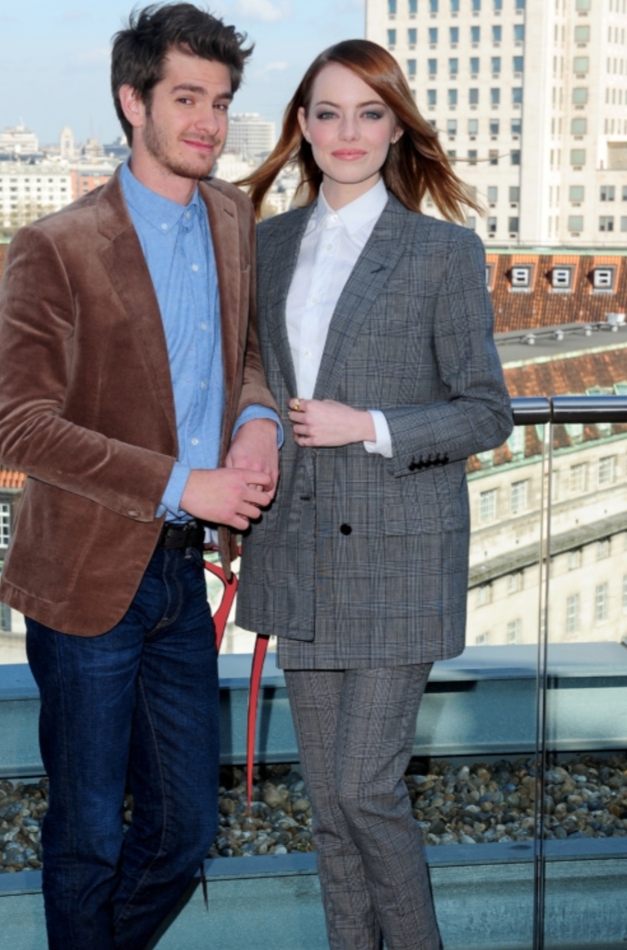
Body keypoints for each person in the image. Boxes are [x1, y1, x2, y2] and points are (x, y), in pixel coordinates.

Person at [0, 5, 280, 948]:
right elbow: (22, 426)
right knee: (84, 838)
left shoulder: (234, 216)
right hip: (83, 581)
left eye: (222, 102)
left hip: (181, 579)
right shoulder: (57, 246)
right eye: (186, 97)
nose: (208, 122)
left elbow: (244, 357)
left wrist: (260, 422)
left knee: (188, 827)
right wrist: (179, 483)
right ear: (132, 101)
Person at [236, 40, 513, 950]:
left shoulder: (440, 251)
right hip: (299, 555)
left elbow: (486, 412)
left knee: (364, 789)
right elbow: (246, 380)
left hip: (400, 556)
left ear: (397, 127)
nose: (345, 132)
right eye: (326, 113)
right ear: (302, 129)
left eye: (367, 112)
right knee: (328, 812)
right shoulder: (266, 244)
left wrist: (373, 424)